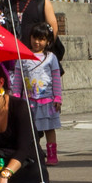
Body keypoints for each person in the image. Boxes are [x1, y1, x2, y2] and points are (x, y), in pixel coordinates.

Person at [17, 22, 63, 165]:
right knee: (31, 130)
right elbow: (18, 79)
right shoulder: (23, 56)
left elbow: (56, 78)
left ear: (48, 41)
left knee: (49, 129)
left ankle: (52, 156)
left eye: (41, 39)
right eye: (34, 38)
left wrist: (58, 97)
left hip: (48, 100)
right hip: (28, 101)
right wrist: (16, 97)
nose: (37, 42)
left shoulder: (51, 58)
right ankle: (34, 154)